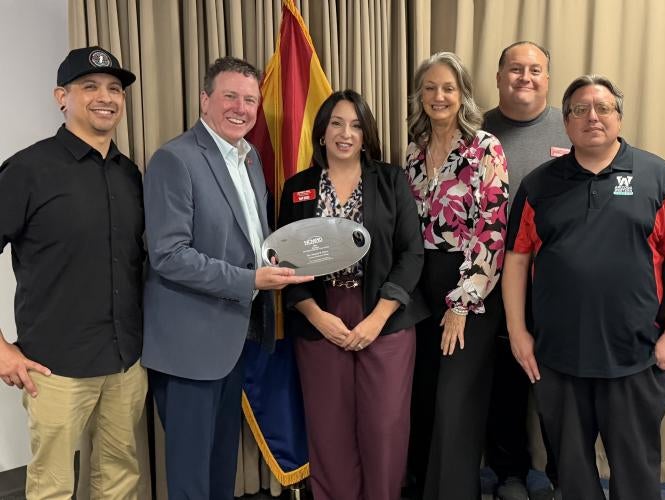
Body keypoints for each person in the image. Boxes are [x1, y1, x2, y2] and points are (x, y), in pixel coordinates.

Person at [503, 74, 665, 500]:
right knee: (571, 473)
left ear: (619, 118)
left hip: (635, 355)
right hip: (558, 356)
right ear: (566, 122)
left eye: (603, 108)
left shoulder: (659, 178)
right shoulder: (538, 185)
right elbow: (516, 260)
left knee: (636, 472)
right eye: (579, 109)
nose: (592, 117)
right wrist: (518, 333)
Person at [142, 56, 311, 499]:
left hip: (235, 339)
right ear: (205, 99)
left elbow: (251, 239)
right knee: (191, 479)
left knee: (220, 471)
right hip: (189, 347)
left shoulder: (249, 158)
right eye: (230, 96)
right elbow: (169, 255)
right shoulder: (175, 159)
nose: (241, 108)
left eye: (250, 100)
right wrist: (251, 281)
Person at [0, 46, 147, 499]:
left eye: (114, 89)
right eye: (90, 87)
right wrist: (0, 349)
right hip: (55, 368)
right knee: (53, 488)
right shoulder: (27, 169)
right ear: (61, 97)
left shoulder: (130, 175)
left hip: (125, 363)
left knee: (119, 481)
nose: (105, 97)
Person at [278, 89, 427, 500]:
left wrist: (377, 317)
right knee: (329, 430)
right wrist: (315, 315)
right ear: (322, 132)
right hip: (320, 316)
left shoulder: (391, 180)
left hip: (385, 316)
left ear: (366, 135)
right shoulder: (298, 188)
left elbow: (411, 253)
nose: (346, 133)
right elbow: (285, 262)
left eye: (356, 125)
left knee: (384, 429)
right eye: (337, 124)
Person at [404, 51, 509, 500]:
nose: (439, 96)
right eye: (430, 87)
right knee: (425, 397)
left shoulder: (485, 147)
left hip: (470, 287)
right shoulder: (414, 149)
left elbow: (492, 230)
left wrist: (462, 303)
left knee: (455, 404)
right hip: (419, 287)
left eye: (448, 87)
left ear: (463, 93)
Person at [482, 41, 570, 500]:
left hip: (557, 285)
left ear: (548, 79)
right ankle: (510, 473)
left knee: (559, 385)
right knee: (505, 384)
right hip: (490, 280)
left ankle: (562, 474)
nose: (525, 77)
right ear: (498, 77)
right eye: (515, 69)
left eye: (535, 70)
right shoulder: (475, 129)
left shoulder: (572, 126)